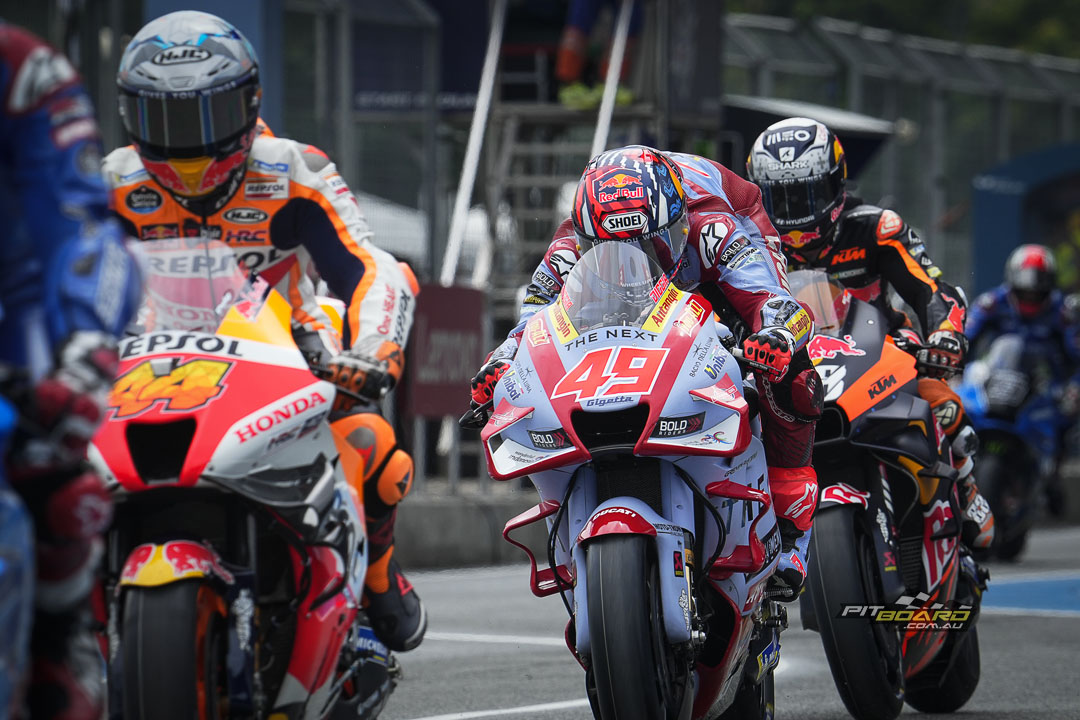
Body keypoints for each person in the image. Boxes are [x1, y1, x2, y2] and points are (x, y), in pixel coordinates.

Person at [103, 11, 425, 654]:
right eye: (165, 121)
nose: (189, 145)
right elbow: (53, 277)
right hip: (145, 361)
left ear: (249, 104)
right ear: (130, 115)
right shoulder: (112, 182)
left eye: (207, 116)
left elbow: (370, 268)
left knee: (375, 448)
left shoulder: (294, 171)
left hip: (285, 355)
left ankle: (376, 579)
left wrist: (375, 349)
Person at [471, 145, 824, 599]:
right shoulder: (569, 244)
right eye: (608, 250)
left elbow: (777, 303)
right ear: (584, 241)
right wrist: (499, 363)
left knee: (784, 370)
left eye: (648, 245)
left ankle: (792, 528)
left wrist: (775, 333)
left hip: (712, 266)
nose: (630, 262)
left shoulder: (712, 226)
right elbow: (529, 327)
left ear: (677, 226)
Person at [746, 116, 994, 552]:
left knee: (941, 402)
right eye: (781, 198)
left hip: (882, 351)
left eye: (807, 194)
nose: (796, 212)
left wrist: (945, 335)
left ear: (836, 183)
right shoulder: (748, 245)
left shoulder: (877, 228)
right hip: (790, 366)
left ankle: (965, 484)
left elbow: (932, 289)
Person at [0, 21, 142, 720]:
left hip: (14, 325)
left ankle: (58, 649)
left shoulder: (26, 72)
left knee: (56, 473)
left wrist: (84, 351)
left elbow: (84, 232)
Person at [966, 244, 1080, 512]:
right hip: (998, 377)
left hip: (1044, 383)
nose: (1030, 298)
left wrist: (1074, 388)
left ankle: (1053, 473)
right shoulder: (992, 303)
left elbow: (1076, 357)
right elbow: (965, 340)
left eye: (1037, 294)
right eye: (1024, 292)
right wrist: (956, 370)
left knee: (1068, 415)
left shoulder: (1063, 313)